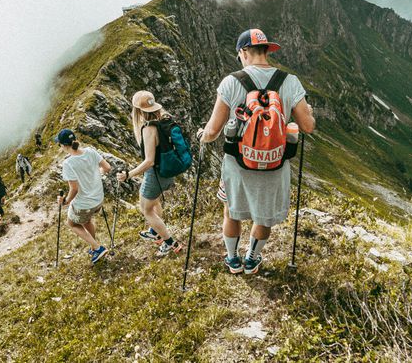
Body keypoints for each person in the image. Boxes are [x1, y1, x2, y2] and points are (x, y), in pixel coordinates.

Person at [198, 29, 315, 274]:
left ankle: (233, 259)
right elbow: (307, 126)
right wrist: (310, 112)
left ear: (243, 52)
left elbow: (213, 131)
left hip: (238, 164)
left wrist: (202, 136)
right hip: (274, 163)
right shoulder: (289, 81)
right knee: (263, 216)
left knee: (231, 211)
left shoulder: (231, 82)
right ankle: (252, 258)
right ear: (266, 51)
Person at [116, 91, 185, 256]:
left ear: (138, 111)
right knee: (153, 202)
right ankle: (155, 232)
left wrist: (128, 175)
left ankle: (170, 243)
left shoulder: (149, 129)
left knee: (146, 210)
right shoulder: (165, 118)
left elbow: (149, 161)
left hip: (156, 174)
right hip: (167, 170)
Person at [55, 128, 112, 265]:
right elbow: (107, 168)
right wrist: (97, 174)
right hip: (98, 199)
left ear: (63, 145)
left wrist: (66, 201)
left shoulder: (68, 163)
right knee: (86, 221)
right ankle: (94, 246)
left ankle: (98, 248)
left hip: (84, 203)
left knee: (72, 223)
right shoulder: (91, 152)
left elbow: (74, 188)